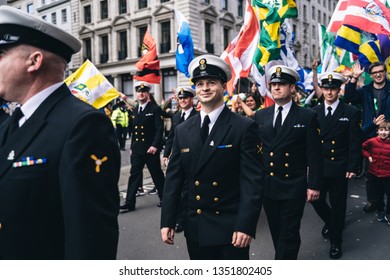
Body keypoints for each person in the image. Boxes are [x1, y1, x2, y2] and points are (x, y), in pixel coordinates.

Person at [0, 6, 120, 259]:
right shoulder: (12, 123)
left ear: (34, 61)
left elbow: (90, 237)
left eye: (0, 54)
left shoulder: (83, 125)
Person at [160, 55, 263, 260]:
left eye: (211, 83)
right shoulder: (182, 130)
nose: (205, 88)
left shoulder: (243, 127)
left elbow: (252, 182)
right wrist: (167, 221)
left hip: (231, 228)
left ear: (224, 87)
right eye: (200, 84)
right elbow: (174, 180)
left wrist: (246, 225)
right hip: (195, 226)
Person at [254, 65, 322, 260]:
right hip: (269, 185)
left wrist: (314, 185)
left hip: (293, 185)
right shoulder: (261, 115)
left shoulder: (307, 116)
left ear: (292, 88)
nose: (276, 88)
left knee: (289, 233)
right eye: (273, 84)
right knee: (277, 231)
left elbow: (314, 154)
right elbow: (257, 152)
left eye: (281, 84)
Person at [311, 72, 362, 259]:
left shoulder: (350, 112)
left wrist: (353, 166)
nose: (329, 92)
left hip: (340, 166)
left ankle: (336, 240)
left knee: (338, 204)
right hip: (319, 166)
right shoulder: (313, 112)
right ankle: (333, 223)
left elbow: (354, 142)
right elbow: (310, 142)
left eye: (333, 88)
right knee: (315, 200)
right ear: (322, 89)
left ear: (339, 90)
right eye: (326, 88)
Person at [344, 62, 390, 212]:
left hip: (388, 135)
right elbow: (349, 97)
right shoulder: (365, 91)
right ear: (371, 75)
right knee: (371, 172)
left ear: (385, 72)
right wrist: (354, 78)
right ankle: (373, 201)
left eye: (380, 71)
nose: (378, 74)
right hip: (370, 136)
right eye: (374, 72)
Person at [120, 81, 165, 211]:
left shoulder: (154, 109)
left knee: (156, 175)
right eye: (139, 92)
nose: (141, 94)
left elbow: (159, 129)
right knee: (134, 175)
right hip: (138, 150)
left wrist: (155, 145)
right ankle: (129, 203)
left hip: (150, 149)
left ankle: (164, 198)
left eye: (143, 92)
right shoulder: (135, 110)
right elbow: (134, 131)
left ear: (147, 94)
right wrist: (132, 147)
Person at [162, 86, 199, 233]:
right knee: (175, 189)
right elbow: (171, 137)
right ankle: (177, 218)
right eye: (181, 98)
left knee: (186, 191)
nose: (183, 100)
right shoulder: (176, 116)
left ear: (191, 99)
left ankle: (183, 220)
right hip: (178, 159)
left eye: (186, 98)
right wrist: (165, 154)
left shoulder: (198, 115)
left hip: (192, 159)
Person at [362, 121, 390, 226]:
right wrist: (368, 156)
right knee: (378, 196)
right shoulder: (372, 141)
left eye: (386, 130)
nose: (384, 132)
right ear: (377, 131)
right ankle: (381, 211)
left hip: (388, 175)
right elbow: (363, 148)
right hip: (374, 174)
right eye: (381, 130)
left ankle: (389, 212)